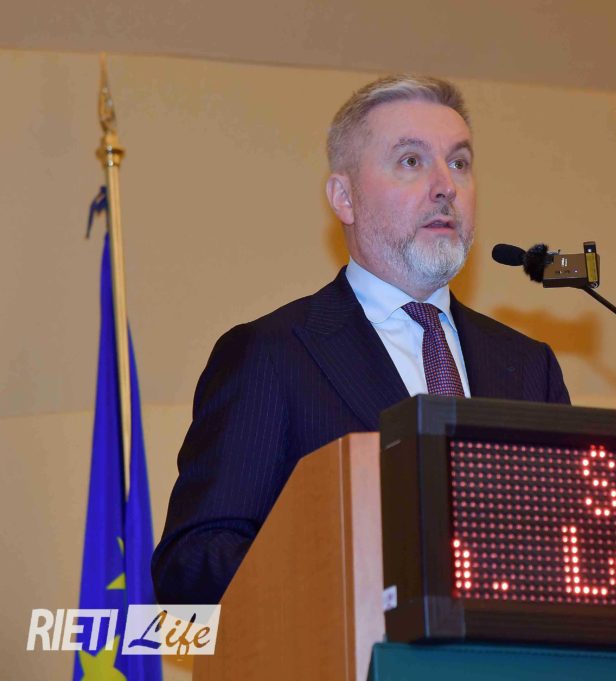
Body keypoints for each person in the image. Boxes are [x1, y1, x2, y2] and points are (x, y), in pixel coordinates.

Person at [152, 75, 571, 604]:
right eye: (411, 161)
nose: (446, 186)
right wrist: (355, 569)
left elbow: (570, 552)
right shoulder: (273, 354)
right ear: (344, 197)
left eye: (459, 163)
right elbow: (192, 568)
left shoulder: (530, 366)